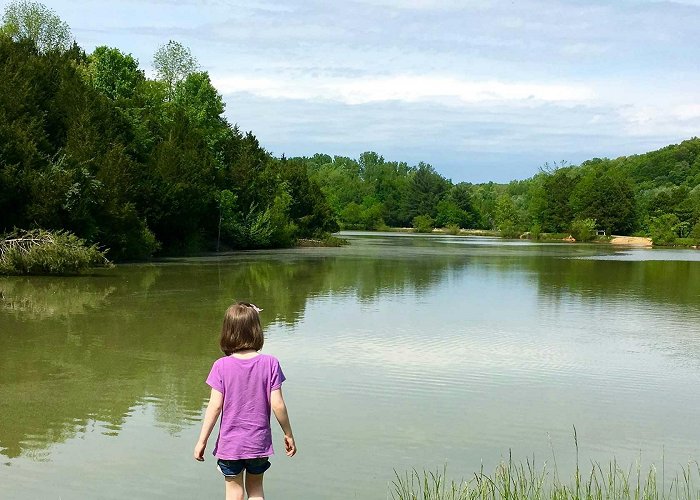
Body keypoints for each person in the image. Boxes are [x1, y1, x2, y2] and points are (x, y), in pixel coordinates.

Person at [194, 302, 296, 500]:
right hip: (258, 443)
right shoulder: (270, 363)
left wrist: (202, 441)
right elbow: (278, 404)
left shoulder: (221, 366)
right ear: (257, 330)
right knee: (256, 490)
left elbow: (215, 407)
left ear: (228, 331)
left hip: (230, 445)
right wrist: (288, 434)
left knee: (234, 492)